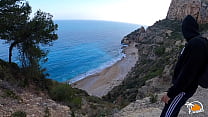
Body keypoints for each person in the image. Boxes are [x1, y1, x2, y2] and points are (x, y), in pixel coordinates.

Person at [160, 15, 208, 117]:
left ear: (186, 29)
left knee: (167, 114)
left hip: (183, 89)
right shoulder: (197, 42)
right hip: (183, 87)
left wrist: (171, 93)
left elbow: (188, 72)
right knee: (172, 111)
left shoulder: (196, 43)